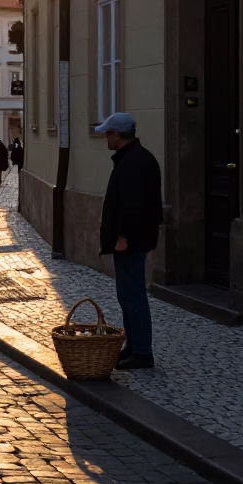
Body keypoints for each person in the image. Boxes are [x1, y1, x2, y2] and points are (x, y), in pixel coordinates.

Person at [95, 112, 163, 370]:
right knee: (128, 295)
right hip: (137, 238)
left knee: (133, 296)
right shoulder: (136, 158)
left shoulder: (132, 162)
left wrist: (122, 237)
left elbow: (132, 205)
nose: (105, 139)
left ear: (117, 135)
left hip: (131, 241)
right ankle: (133, 346)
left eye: (107, 134)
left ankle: (142, 352)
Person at [10, 136, 24, 209]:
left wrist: (13, 160)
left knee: (19, 172)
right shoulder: (20, 148)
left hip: (18, 162)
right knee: (19, 172)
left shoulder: (15, 148)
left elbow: (12, 155)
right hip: (20, 163)